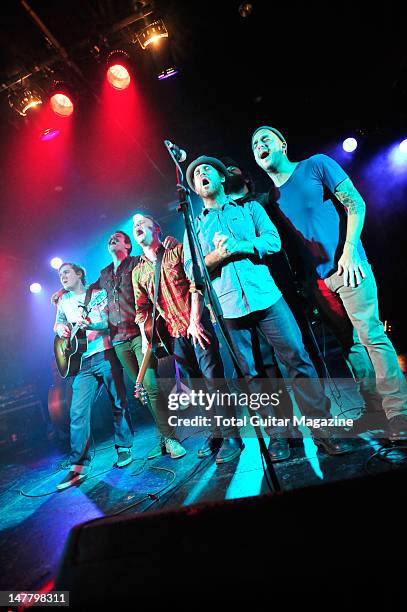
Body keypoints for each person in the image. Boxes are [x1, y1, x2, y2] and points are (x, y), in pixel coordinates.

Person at [184, 155, 352, 460]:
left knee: (298, 362)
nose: (201, 174)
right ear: (195, 189)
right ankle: (279, 437)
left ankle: (323, 430)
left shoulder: (251, 208)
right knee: (254, 376)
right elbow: (192, 271)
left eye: (207, 169)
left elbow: (272, 242)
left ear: (222, 178)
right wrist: (218, 256)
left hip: (267, 297)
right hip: (230, 309)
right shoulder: (194, 227)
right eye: (196, 175)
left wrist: (241, 246)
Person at [252, 125, 407, 441]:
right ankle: (375, 411)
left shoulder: (317, 164)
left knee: (372, 336)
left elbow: (355, 204)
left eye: (265, 138)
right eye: (255, 144)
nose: (260, 145)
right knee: (350, 346)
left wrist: (350, 251)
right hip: (318, 283)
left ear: (282, 143)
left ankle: (399, 413)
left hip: (349, 267)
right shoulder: (270, 198)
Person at [53, 231, 184, 460]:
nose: (112, 239)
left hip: (140, 333)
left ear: (128, 244)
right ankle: (163, 438)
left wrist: (169, 245)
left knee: (150, 386)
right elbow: (84, 290)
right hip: (118, 340)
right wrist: (63, 292)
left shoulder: (136, 263)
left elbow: (156, 262)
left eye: (118, 237)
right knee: (141, 390)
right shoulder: (104, 275)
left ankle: (170, 438)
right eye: (109, 239)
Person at [132, 213, 244, 464]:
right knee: (199, 388)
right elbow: (141, 309)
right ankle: (216, 433)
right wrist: (145, 334)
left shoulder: (178, 251)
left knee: (214, 380)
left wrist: (195, 319)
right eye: (134, 226)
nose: (137, 227)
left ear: (157, 228)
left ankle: (232, 436)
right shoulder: (137, 271)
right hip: (174, 333)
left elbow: (196, 283)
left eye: (142, 223)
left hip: (197, 324)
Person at [54, 262, 134, 490]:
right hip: (82, 362)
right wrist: (62, 330)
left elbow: (112, 323)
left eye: (66, 272)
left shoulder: (99, 295)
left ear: (80, 274)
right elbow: (58, 324)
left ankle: (124, 447)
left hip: (105, 353)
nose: (63, 277)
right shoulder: (63, 301)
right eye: (60, 275)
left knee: (118, 401)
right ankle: (78, 466)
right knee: (77, 411)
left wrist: (92, 325)